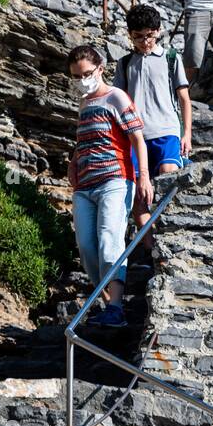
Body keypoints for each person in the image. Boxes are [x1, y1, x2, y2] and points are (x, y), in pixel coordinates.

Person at [66, 44, 154, 327]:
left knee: (108, 240)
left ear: (100, 69)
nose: (83, 80)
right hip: (85, 185)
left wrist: (143, 176)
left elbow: (137, 139)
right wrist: (72, 163)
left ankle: (116, 306)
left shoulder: (116, 97)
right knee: (86, 247)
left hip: (115, 180)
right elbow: (83, 141)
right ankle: (107, 304)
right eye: (77, 76)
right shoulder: (84, 104)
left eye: (87, 74)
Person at [113, 3, 190, 253]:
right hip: (135, 137)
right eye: (138, 36)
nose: (144, 41)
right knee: (138, 193)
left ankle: (170, 241)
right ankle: (151, 249)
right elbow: (117, 102)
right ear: (130, 35)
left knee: (168, 178)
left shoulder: (171, 59)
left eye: (149, 35)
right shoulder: (125, 63)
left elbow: (184, 99)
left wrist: (186, 134)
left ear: (158, 31)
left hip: (166, 131)